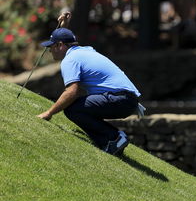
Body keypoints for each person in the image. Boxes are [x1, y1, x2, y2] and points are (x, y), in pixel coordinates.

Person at [36, 13, 141, 156]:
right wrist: (64, 28)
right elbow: (68, 41)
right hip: (127, 99)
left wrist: (49, 113)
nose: (49, 50)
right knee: (78, 107)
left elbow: (72, 92)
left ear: (60, 45)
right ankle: (112, 138)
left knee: (73, 109)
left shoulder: (70, 60)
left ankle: (113, 138)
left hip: (119, 99)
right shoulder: (84, 50)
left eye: (51, 46)